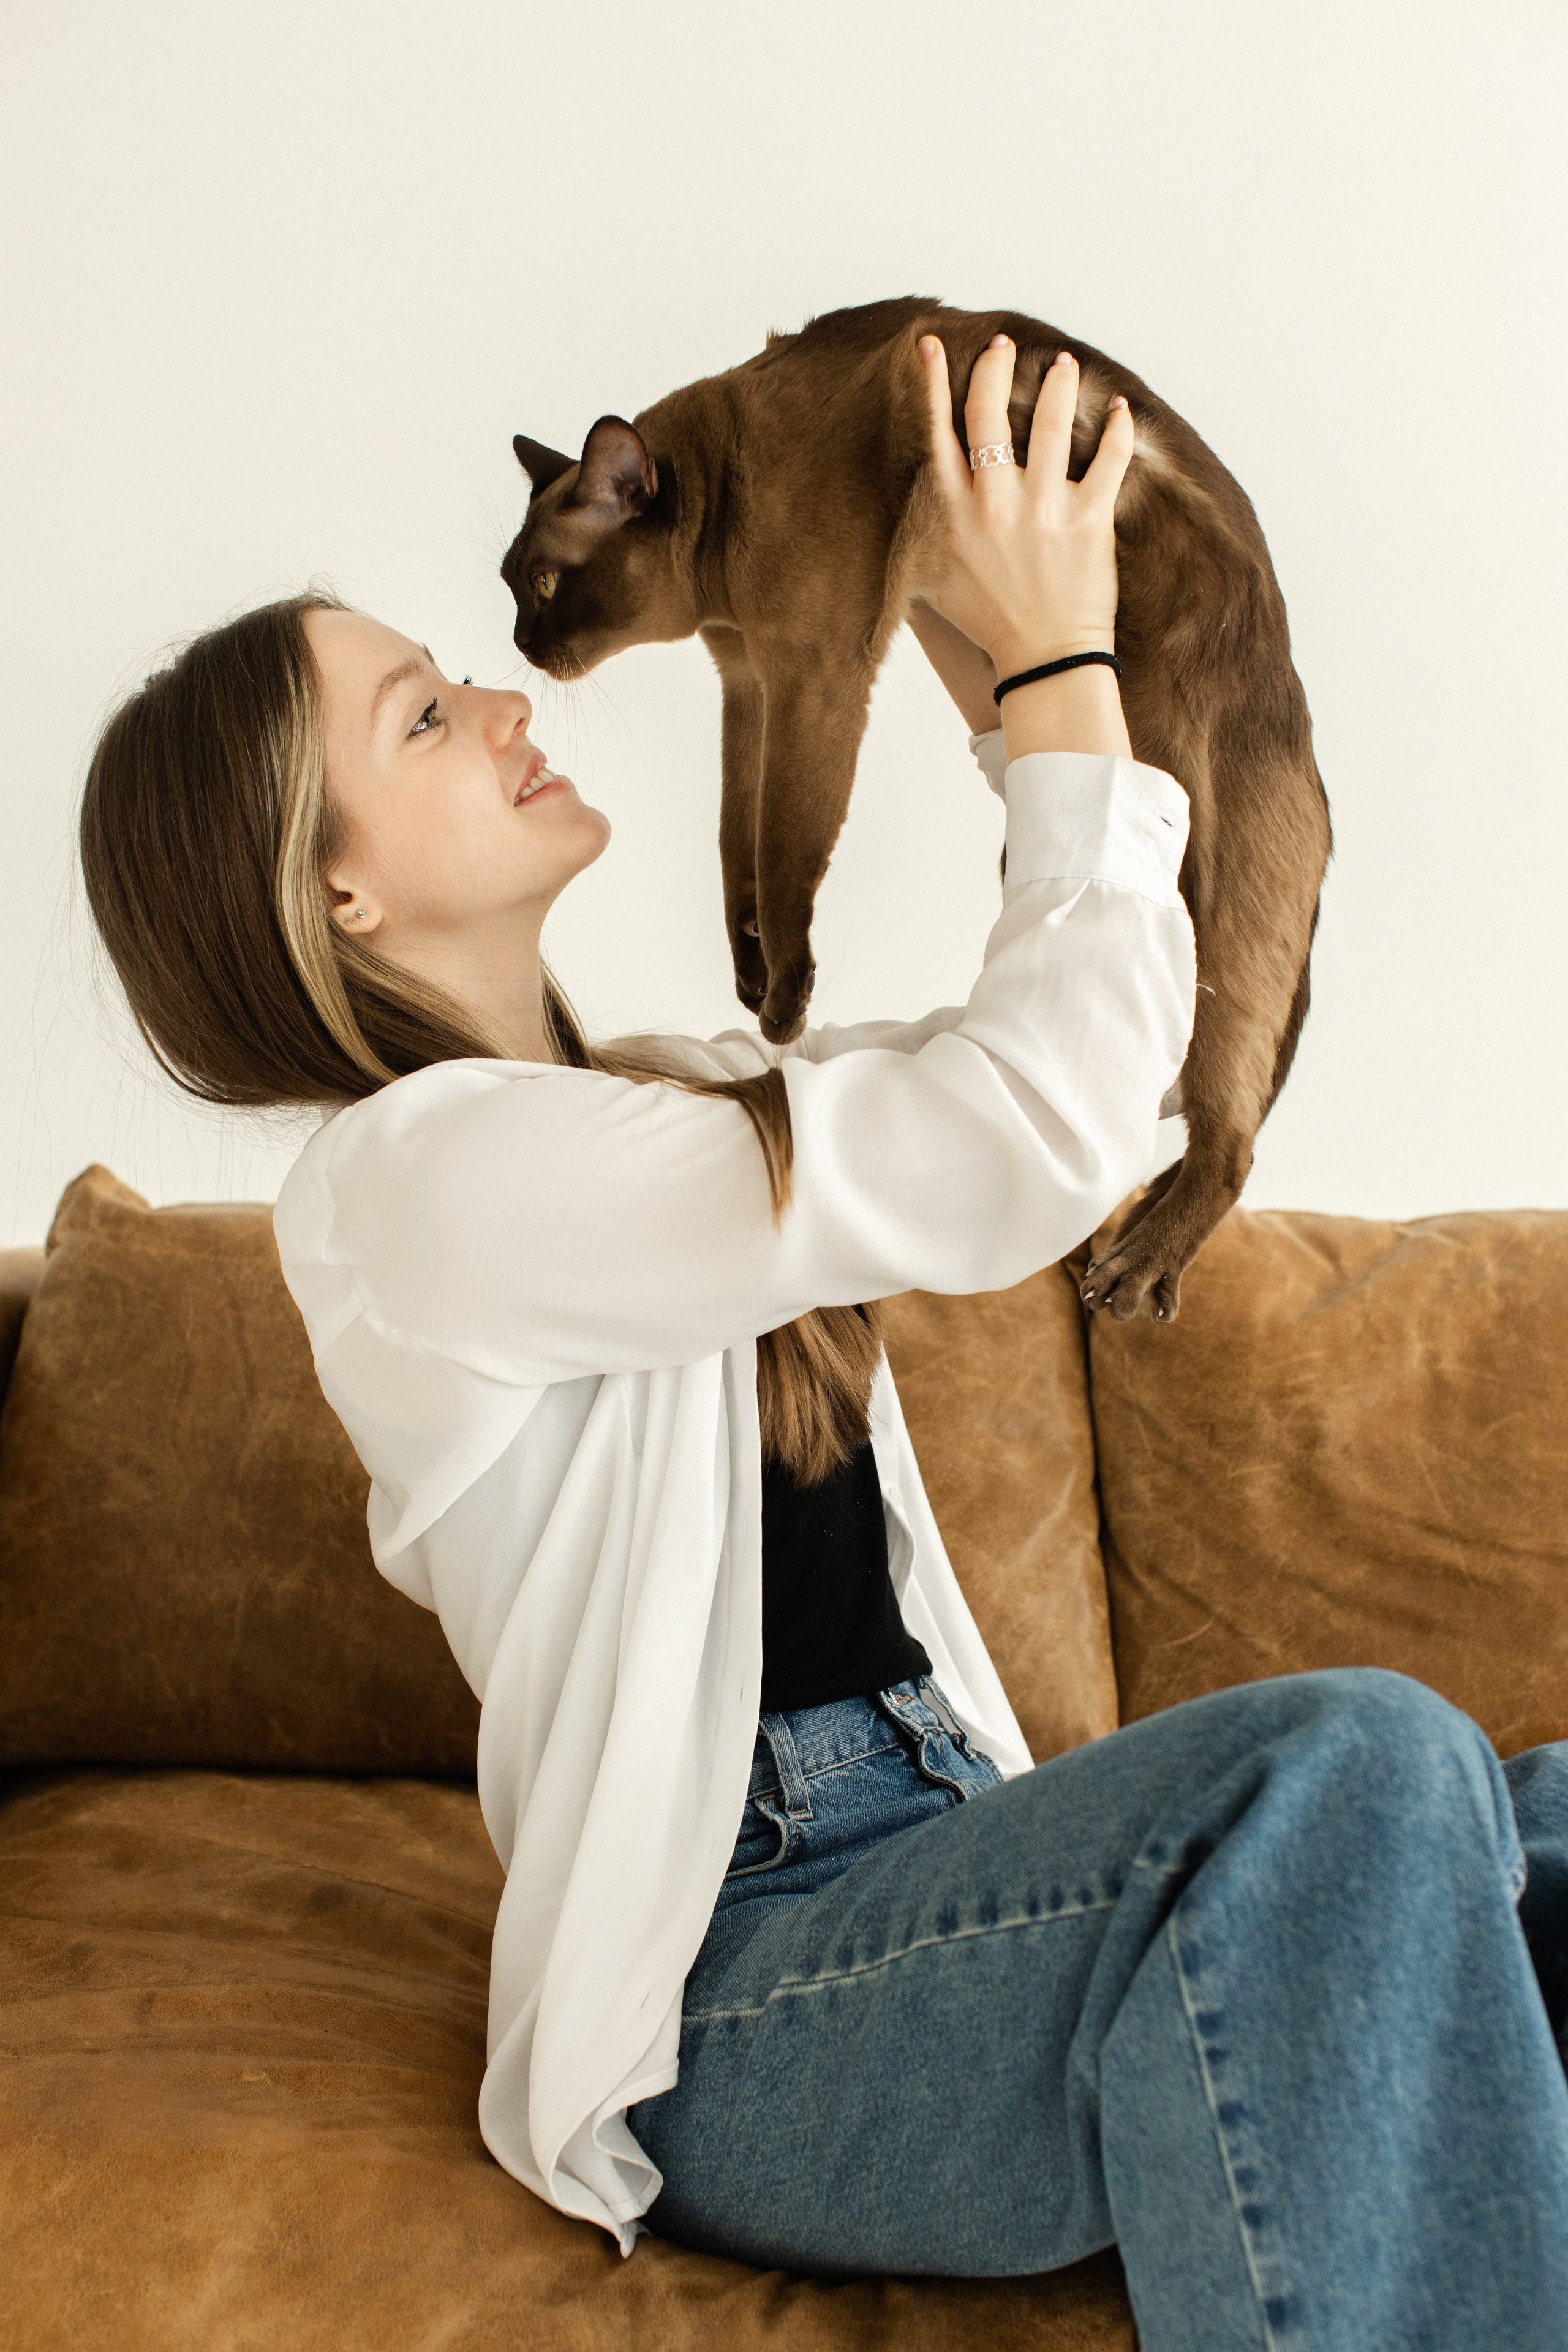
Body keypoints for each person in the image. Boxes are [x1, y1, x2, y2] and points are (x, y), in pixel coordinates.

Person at [78, 334, 1568, 2351]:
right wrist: (1057, 693)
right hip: (753, 1996)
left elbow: (1064, 1083)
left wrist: (1014, 677)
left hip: (954, 1863)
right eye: (425, 715)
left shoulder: (674, 1101)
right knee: (1364, 1767)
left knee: (1525, 1815)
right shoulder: (422, 1185)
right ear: (333, 886)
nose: (507, 700)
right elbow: (1013, 1139)